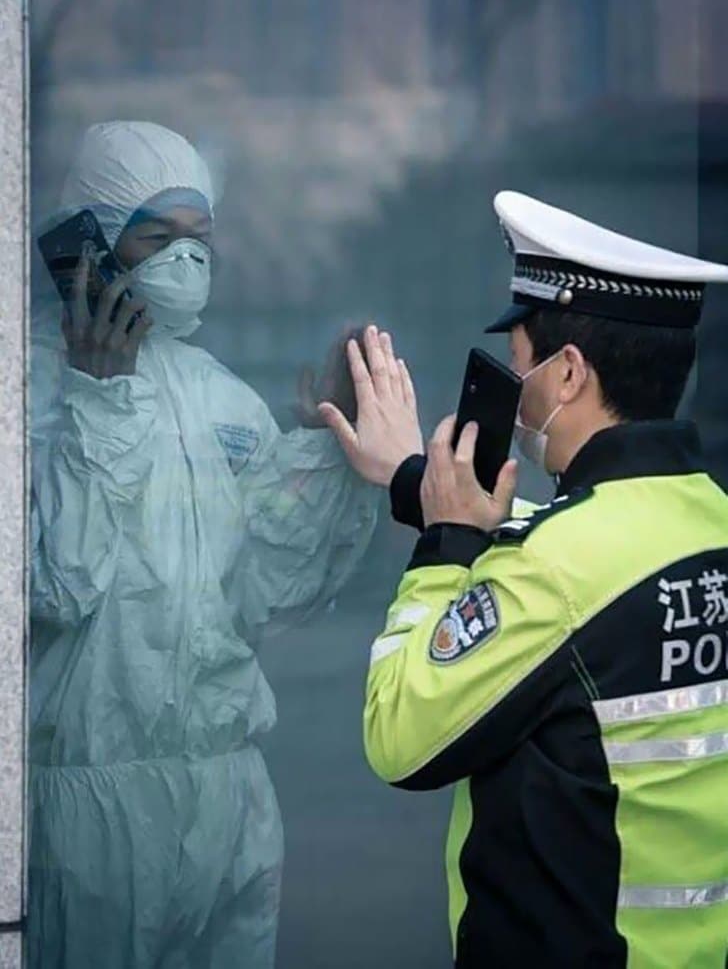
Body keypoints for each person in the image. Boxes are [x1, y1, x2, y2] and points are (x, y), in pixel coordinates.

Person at [28, 120, 401, 969]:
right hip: (89, 815)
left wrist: (326, 458)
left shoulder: (219, 397)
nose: (186, 259)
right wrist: (99, 399)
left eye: (200, 238)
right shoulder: (32, 388)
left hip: (229, 799)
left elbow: (268, 585)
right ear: (89, 242)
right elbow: (56, 586)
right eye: (158, 236)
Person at [321, 191, 728, 967]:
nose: (516, 389)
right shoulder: (710, 521)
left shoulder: (554, 571)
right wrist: (412, 477)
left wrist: (445, 549)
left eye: (520, 366)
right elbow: (588, 567)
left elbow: (400, 736)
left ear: (567, 373)